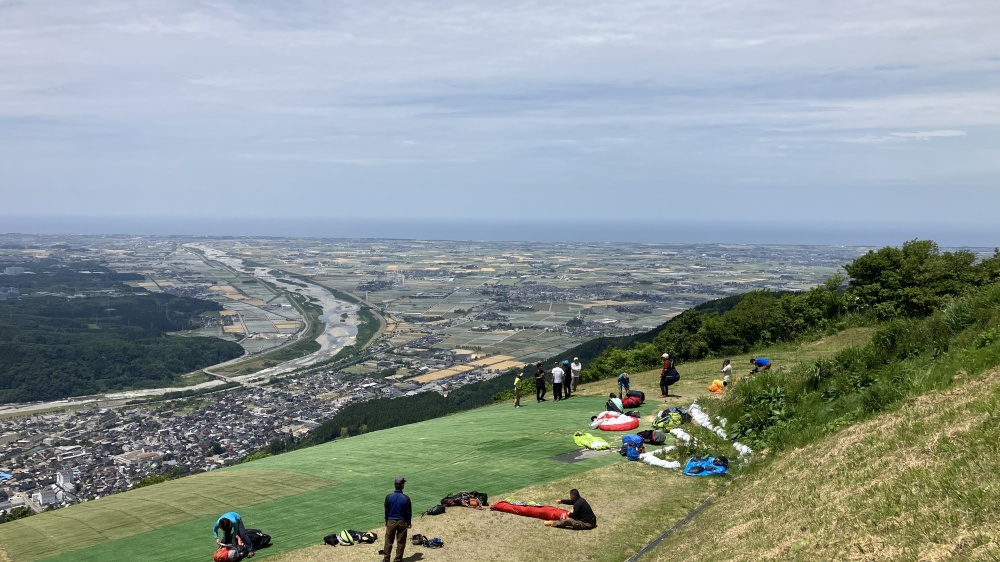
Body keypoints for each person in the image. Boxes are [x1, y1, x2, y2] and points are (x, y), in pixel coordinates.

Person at [383, 476, 412, 562]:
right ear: (402, 486)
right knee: (401, 542)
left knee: (388, 541)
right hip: (402, 522)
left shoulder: (389, 497)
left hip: (391, 521)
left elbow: (386, 510)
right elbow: (408, 512)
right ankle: (398, 559)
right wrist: (409, 522)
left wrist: (386, 520)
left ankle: (386, 559)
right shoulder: (406, 498)